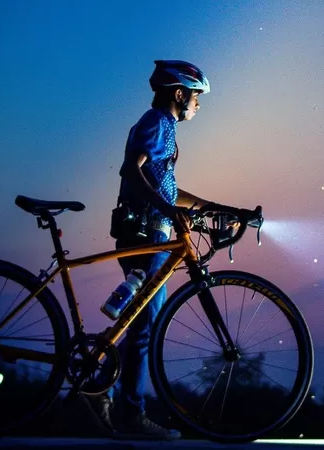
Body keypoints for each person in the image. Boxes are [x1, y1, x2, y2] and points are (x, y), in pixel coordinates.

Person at [87, 60, 212, 440]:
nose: (198, 105)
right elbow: (132, 169)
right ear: (179, 93)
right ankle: (130, 413)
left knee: (141, 324)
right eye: (196, 97)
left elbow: (166, 187)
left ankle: (100, 385)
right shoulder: (158, 123)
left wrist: (210, 207)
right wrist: (167, 210)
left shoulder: (162, 127)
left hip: (146, 234)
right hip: (148, 237)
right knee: (146, 329)